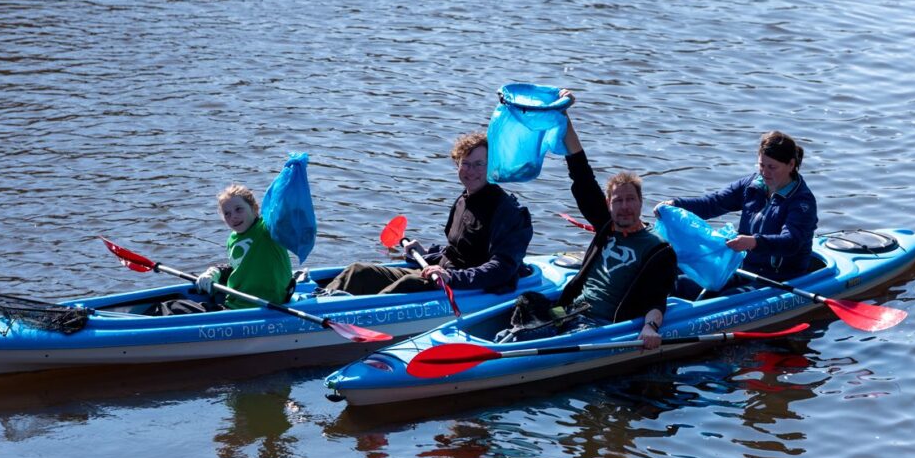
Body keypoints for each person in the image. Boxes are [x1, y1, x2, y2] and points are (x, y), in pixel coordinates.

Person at [516, 95, 676, 348]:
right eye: (617, 201)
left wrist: (651, 326)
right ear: (609, 205)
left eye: (630, 199)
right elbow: (581, 172)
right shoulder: (606, 226)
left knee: (529, 338)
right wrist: (563, 115)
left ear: (640, 202)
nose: (624, 207)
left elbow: (658, 298)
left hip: (599, 325)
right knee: (525, 306)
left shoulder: (658, 249)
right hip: (569, 312)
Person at [322, 132, 534, 296]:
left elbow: (502, 268)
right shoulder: (463, 200)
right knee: (358, 271)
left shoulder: (508, 211)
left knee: (408, 284)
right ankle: (320, 300)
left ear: (492, 166)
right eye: (465, 164)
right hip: (442, 274)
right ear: (457, 165)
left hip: (468, 287)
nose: (471, 171)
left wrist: (452, 277)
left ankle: (343, 315)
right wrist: (426, 253)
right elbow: (457, 252)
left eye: (479, 164)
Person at [655, 130, 817, 281]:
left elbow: (791, 242)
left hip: (779, 278)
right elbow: (714, 203)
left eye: (772, 167)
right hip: (742, 267)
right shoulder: (752, 185)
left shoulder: (802, 202)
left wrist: (754, 242)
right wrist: (676, 205)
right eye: (761, 165)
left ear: (790, 164)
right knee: (673, 279)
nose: (765, 173)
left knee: (719, 297)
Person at [194, 184, 294, 310]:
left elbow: (285, 206)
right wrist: (214, 272)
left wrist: (292, 174)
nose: (233, 217)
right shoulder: (232, 239)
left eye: (239, 209)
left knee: (173, 307)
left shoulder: (267, 229)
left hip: (260, 305)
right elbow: (239, 267)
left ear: (254, 209)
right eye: (227, 214)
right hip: (236, 302)